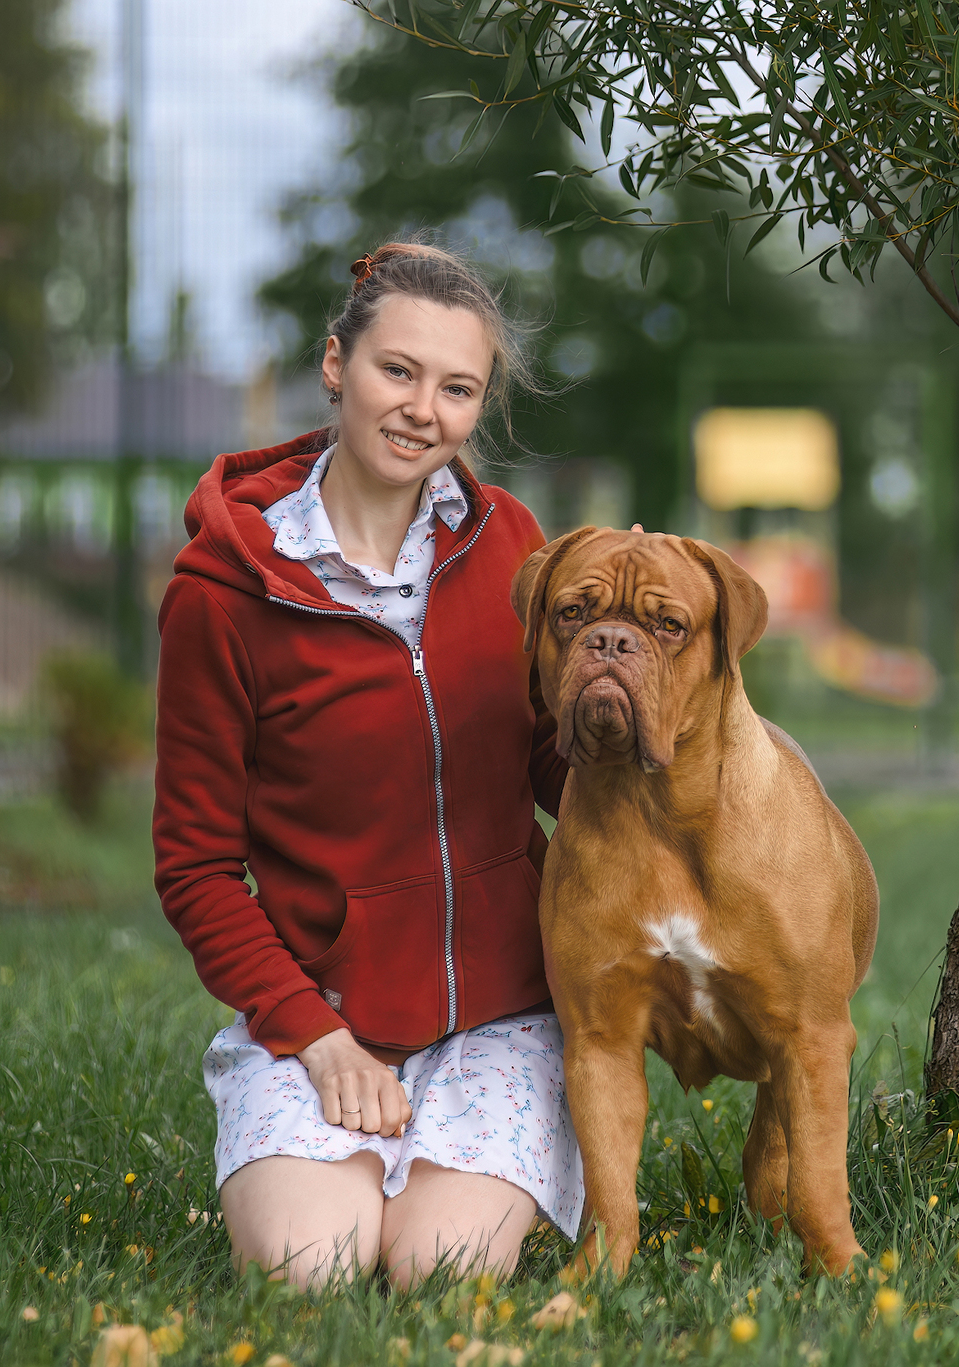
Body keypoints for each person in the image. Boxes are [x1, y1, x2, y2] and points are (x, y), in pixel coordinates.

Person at [153, 242, 578, 1291]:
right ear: (335, 363)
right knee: (313, 1268)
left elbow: (553, 769)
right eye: (398, 370)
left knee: (439, 1269)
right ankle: (321, 1139)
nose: (421, 409)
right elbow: (196, 868)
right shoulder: (225, 590)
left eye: (457, 387)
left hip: (502, 1013)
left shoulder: (509, 543)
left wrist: (659, 757)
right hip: (319, 1014)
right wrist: (315, 1036)